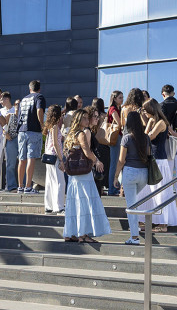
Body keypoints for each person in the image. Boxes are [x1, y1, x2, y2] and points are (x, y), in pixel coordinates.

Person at [62, 107, 111, 243]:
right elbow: (87, 152)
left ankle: (71, 233)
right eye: (83, 118)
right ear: (78, 120)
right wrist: (97, 161)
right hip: (83, 173)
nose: (86, 120)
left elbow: (66, 151)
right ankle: (83, 234)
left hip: (73, 174)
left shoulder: (71, 133)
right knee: (85, 202)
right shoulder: (81, 134)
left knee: (74, 203)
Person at [115, 113, 153, 245]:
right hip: (144, 173)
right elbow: (149, 156)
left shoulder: (126, 138)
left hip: (130, 172)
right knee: (134, 202)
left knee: (131, 205)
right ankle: (136, 228)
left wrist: (116, 176)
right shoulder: (146, 138)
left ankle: (134, 237)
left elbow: (121, 160)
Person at [142, 99, 177, 231]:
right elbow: (145, 136)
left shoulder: (161, 123)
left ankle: (163, 223)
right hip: (152, 160)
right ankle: (148, 220)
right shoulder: (153, 121)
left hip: (160, 161)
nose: (144, 113)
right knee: (148, 192)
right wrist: (149, 122)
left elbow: (149, 137)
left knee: (160, 193)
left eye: (145, 110)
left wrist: (149, 122)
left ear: (151, 109)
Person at [16, 80, 47, 194]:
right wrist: (42, 125)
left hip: (21, 130)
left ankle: (20, 186)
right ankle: (28, 186)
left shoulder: (24, 99)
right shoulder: (39, 97)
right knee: (31, 158)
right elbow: (39, 110)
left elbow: (19, 114)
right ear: (39, 89)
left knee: (22, 159)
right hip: (34, 130)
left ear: (30, 89)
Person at [43, 105, 66, 214]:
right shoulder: (55, 127)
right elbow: (56, 144)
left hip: (49, 156)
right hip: (55, 156)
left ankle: (49, 206)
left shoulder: (49, 126)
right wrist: (61, 159)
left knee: (49, 181)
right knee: (60, 182)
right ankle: (59, 206)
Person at [106, 90, 124, 196]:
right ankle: (112, 189)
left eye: (122, 97)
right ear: (114, 98)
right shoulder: (113, 109)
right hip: (116, 137)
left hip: (118, 137)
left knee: (117, 162)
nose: (122, 99)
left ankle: (114, 188)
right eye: (120, 97)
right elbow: (119, 123)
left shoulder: (118, 108)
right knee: (114, 163)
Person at [0, 92, 19, 192]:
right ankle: (11, 186)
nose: (0, 102)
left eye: (2, 99)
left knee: (23, 162)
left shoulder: (19, 112)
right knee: (10, 164)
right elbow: (0, 125)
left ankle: (23, 185)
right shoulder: (2, 112)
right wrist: (5, 134)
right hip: (10, 139)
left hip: (20, 139)